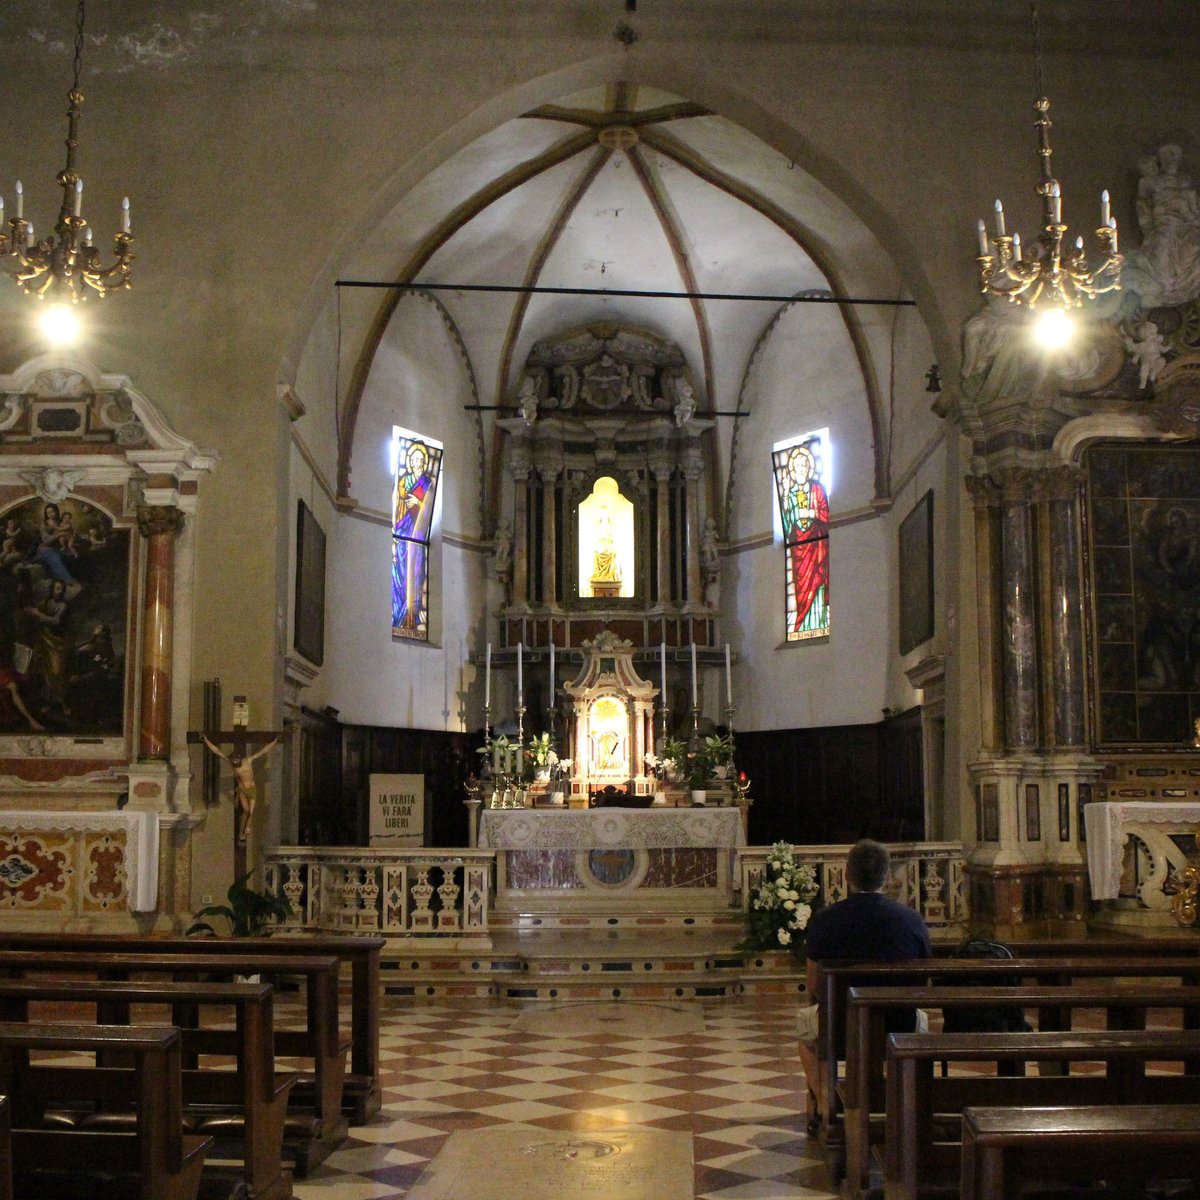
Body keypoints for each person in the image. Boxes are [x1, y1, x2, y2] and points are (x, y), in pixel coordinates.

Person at [796, 838, 931, 1136]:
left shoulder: (825, 920)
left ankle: (826, 1101)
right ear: (887, 876)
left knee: (805, 1035)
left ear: (846, 874)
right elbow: (922, 980)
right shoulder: (911, 920)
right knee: (922, 1021)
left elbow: (813, 983)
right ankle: (905, 1104)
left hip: (839, 1025)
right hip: (900, 1023)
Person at [781, 444, 829, 635]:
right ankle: (802, 622)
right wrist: (785, 494)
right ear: (793, 470)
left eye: (804, 466)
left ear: (809, 469)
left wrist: (811, 512)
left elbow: (825, 513)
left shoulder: (818, 490)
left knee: (817, 583)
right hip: (799, 549)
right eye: (798, 466)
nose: (801, 469)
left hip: (816, 546)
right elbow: (786, 525)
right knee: (802, 589)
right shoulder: (791, 493)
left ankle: (816, 622)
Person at [201, 735, 282, 843]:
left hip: (252, 789)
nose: (234, 762)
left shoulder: (248, 761)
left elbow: (263, 751)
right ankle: (242, 834)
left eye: (235, 760)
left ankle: (245, 831)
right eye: (233, 761)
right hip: (242, 790)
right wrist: (206, 740)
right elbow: (217, 751)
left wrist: (274, 741)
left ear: (239, 758)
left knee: (251, 813)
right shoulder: (231, 763)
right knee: (246, 810)